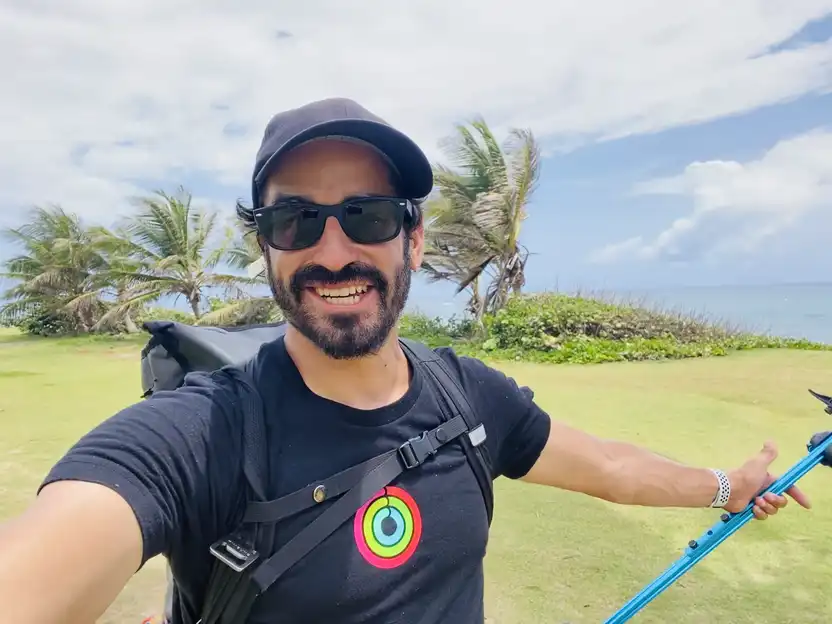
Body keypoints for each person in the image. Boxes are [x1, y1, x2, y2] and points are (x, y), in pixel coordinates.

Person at [0, 97, 811, 624]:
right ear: (266, 249)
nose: (333, 251)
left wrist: (724, 486)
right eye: (295, 221)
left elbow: (607, 466)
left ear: (413, 240)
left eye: (368, 215)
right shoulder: (199, 434)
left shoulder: (468, 396)